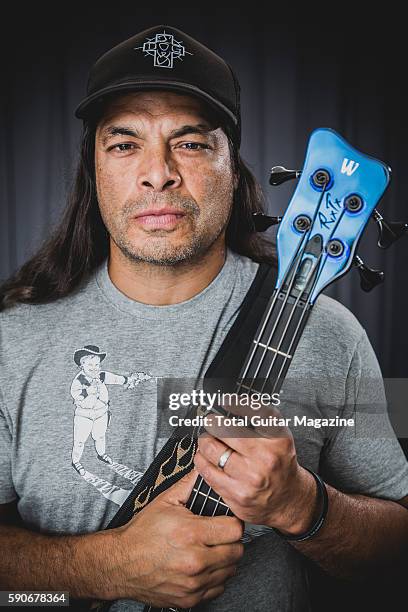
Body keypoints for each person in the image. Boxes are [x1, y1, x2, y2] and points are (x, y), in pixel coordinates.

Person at [0, 24, 407, 612]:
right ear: (92, 169)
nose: (158, 171)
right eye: (124, 143)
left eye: (190, 143)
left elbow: (397, 550)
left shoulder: (331, 335)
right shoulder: (13, 339)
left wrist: (304, 507)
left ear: (232, 165)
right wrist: (109, 567)